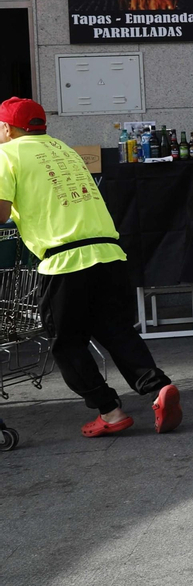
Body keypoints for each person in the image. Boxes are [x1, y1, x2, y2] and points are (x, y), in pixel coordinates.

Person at [0, 97, 181, 438]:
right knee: (116, 330)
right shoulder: (63, 150)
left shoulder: (7, 154)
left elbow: (1, 212)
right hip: (108, 254)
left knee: (67, 343)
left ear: (7, 128)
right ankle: (158, 390)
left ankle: (110, 411)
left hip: (64, 260)